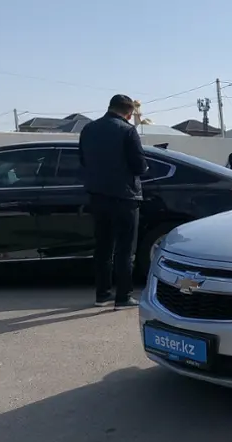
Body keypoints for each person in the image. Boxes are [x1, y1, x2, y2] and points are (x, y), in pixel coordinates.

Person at [79, 94, 148, 310]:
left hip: (97, 197)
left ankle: (102, 294)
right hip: (124, 197)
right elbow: (139, 165)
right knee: (125, 250)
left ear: (109, 107)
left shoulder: (88, 130)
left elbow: (82, 160)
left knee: (103, 247)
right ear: (128, 113)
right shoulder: (128, 130)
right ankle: (123, 297)